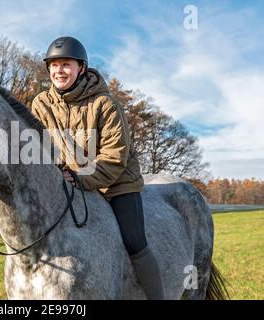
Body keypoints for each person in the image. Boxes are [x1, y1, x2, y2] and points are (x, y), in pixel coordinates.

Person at [30, 36, 165, 300]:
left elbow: (115, 156)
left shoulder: (105, 103)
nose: (59, 70)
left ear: (81, 67)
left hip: (115, 183)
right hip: (70, 181)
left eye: (66, 64)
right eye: (54, 65)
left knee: (134, 241)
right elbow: (39, 148)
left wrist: (79, 178)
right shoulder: (40, 104)